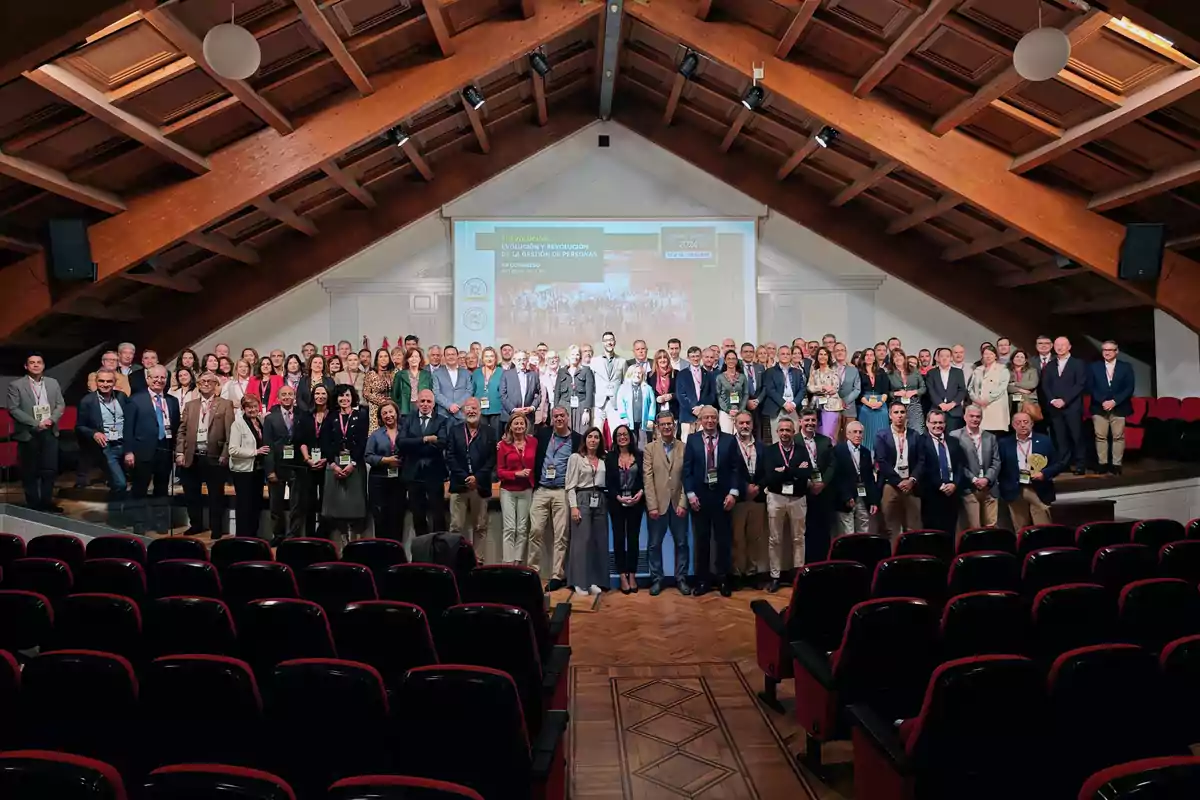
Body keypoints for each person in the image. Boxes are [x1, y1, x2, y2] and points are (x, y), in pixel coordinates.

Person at [683, 406, 741, 597]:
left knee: (723, 540)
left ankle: (723, 579)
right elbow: (687, 470)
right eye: (706, 417)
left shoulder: (729, 440)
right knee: (702, 540)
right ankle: (702, 581)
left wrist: (733, 493)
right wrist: (690, 494)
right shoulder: (691, 440)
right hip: (700, 496)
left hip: (723, 496)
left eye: (713, 418)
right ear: (700, 420)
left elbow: (735, 469)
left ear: (717, 420)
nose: (709, 421)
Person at [175, 371, 235, 538]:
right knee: (191, 494)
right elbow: (182, 431)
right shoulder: (190, 405)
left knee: (216, 495)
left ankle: (216, 529)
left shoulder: (225, 404)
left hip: (214, 456)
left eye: (210, 381)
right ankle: (196, 525)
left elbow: (230, 432)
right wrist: (179, 452)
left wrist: (226, 453)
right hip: (192, 455)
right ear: (199, 385)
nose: (206, 384)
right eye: (202, 381)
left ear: (216, 385)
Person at [123, 365, 180, 535]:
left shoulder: (172, 401)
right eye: (155, 377)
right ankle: (139, 522)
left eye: (162, 377)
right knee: (140, 488)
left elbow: (175, 428)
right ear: (148, 379)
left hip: (165, 449)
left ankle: (160, 521)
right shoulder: (135, 399)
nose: (159, 380)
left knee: (162, 489)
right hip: (143, 451)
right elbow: (128, 428)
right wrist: (128, 451)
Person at [531, 406, 582, 591]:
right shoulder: (542, 435)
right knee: (535, 531)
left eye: (562, 415)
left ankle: (557, 575)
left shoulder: (576, 439)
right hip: (542, 490)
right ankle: (533, 572)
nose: (559, 418)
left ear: (567, 417)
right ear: (552, 419)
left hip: (562, 491)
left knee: (561, 535)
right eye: (555, 416)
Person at [8, 353, 65, 513]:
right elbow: (13, 409)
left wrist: (51, 420)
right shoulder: (16, 385)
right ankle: (33, 504)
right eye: (32, 363)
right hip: (28, 433)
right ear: (26, 366)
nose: (35, 365)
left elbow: (60, 404)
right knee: (30, 471)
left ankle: (46, 502)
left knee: (49, 470)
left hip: (49, 431)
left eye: (39, 362)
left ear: (43, 365)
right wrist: (36, 423)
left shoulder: (53, 383)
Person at [643, 411, 690, 596]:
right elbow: (647, 479)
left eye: (670, 423)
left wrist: (683, 503)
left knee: (682, 544)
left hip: (678, 504)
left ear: (675, 425)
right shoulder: (649, 449)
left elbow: (688, 477)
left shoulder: (684, 447)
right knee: (654, 545)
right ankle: (657, 579)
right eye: (663, 424)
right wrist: (652, 505)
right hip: (658, 505)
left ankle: (681, 579)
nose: (667, 427)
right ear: (657, 427)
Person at [319, 384, 369, 543]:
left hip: (354, 465)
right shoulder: (331, 417)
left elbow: (362, 442)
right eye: (341, 396)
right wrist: (333, 465)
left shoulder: (361, 415)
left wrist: (352, 463)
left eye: (347, 395)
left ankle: (355, 542)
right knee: (336, 508)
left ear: (352, 397)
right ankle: (340, 542)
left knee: (356, 506)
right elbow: (324, 442)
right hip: (335, 464)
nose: (344, 399)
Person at [399, 388, 451, 537]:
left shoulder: (442, 420)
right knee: (418, 515)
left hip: (434, 473)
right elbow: (401, 442)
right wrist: (425, 440)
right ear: (417, 403)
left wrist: (414, 444)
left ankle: (439, 549)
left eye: (429, 401)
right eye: (422, 401)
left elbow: (441, 443)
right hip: (413, 474)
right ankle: (421, 549)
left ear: (434, 404)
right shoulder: (408, 419)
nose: (425, 404)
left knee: (438, 514)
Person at [76, 368, 129, 512]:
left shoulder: (122, 397)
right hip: (106, 448)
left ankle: (114, 513)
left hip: (123, 444)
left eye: (109, 381)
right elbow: (80, 426)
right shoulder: (87, 401)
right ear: (96, 382)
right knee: (120, 483)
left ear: (114, 383)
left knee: (116, 483)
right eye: (102, 381)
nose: (105, 384)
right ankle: (117, 515)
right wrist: (94, 433)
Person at [999, 411, 1064, 528]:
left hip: (1039, 487)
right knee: (1020, 529)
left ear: (1032, 424)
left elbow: (1058, 464)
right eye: (1018, 422)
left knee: (1044, 527)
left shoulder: (1045, 441)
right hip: (1015, 490)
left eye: (1026, 422)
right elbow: (1000, 468)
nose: (1022, 425)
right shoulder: (1004, 443)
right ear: (1013, 425)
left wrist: (1044, 474)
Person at [448, 397, 496, 551]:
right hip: (459, 485)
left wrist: (477, 477)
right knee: (456, 527)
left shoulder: (489, 432)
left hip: (480, 486)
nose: (471, 411)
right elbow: (450, 456)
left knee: (480, 527)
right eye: (468, 408)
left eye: (475, 408)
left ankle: (478, 562)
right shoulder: (454, 430)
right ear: (463, 412)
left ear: (480, 412)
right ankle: (455, 561)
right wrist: (465, 477)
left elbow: (492, 459)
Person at [262, 384, 307, 545]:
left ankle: (293, 535)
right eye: (284, 395)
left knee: (297, 503)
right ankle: (278, 534)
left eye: (290, 394)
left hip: (297, 466)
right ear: (278, 398)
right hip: (277, 466)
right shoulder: (270, 418)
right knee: (276, 504)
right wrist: (269, 471)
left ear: (294, 396)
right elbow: (267, 446)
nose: (287, 397)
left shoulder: (302, 416)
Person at [566, 427, 608, 596]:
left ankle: (593, 580)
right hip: (582, 497)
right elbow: (569, 485)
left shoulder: (604, 459)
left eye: (596, 437)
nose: (593, 440)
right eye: (590, 436)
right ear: (585, 440)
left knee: (598, 541)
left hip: (600, 498)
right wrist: (573, 507)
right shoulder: (576, 458)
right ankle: (578, 581)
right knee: (581, 541)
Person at [729, 410, 766, 588]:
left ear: (752, 425)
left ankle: (752, 573)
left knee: (754, 538)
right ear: (735, 425)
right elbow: (728, 471)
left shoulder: (761, 446)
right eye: (741, 423)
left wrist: (758, 487)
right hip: (739, 499)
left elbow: (767, 470)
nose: (744, 426)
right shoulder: (729, 444)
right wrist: (745, 488)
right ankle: (736, 573)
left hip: (758, 498)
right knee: (737, 539)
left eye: (747, 423)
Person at [875, 402, 922, 540]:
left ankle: (912, 560)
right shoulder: (882, 435)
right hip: (890, 484)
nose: (899, 416)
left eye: (902, 412)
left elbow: (921, 460)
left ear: (906, 415)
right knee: (890, 528)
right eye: (896, 413)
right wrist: (899, 481)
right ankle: (892, 560)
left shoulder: (915, 435)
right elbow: (881, 461)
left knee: (913, 528)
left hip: (911, 484)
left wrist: (911, 480)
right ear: (890, 415)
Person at [607, 424, 645, 594]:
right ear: (615, 438)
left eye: (625, 434)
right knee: (619, 539)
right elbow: (608, 482)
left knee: (633, 539)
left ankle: (632, 574)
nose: (622, 437)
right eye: (619, 434)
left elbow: (645, 477)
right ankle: (622, 575)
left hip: (636, 502)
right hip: (617, 502)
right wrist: (617, 496)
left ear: (630, 436)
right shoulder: (610, 457)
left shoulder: (640, 455)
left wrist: (641, 493)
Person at [1041, 336, 1088, 475]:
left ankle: (1080, 464)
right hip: (1055, 407)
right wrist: (1052, 400)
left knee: (1076, 436)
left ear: (1069, 347)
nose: (1059, 347)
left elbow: (1080, 384)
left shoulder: (1078, 364)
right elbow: (1045, 385)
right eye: (1057, 345)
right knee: (1060, 437)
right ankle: (1063, 464)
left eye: (1063, 345)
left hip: (1072, 406)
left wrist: (1065, 400)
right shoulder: (1050, 365)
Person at [951, 404, 1001, 531]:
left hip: (989, 487)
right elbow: (957, 463)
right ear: (965, 417)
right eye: (971, 416)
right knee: (975, 528)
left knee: (992, 528)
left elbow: (996, 461)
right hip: (969, 488)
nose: (975, 419)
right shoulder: (955, 436)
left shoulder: (990, 437)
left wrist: (987, 479)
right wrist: (974, 479)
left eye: (978, 416)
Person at [1089, 340, 1135, 475]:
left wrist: (1114, 401)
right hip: (1099, 407)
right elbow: (1090, 386)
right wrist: (1103, 401)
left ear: (1117, 351)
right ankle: (1102, 464)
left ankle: (1116, 464)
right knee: (1100, 436)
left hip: (1119, 406)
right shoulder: (1094, 367)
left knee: (1118, 437)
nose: (1107, 352)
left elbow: (1129, 388)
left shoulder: (1126, 367)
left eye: (1110, 350)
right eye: (1104, 350)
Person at [917, 409, 967, 535]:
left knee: (950, 531)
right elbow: (923, 468)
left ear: (945, 424)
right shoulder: (920, 442)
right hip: (931, 494)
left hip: (952, 493)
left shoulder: (953, 441)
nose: (937, 426)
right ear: (927, 423)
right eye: (934, 423)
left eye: (940, 422)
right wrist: (940, 485)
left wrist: (954, 484)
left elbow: (960, 466)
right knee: (932, 533)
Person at [796, 409, 836, 564]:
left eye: (813, 420)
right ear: (800, 421)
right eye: (807, 420)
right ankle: (804, 565)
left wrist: (823, 483)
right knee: (803, 531)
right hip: (802, 492)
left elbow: (832, 465)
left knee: (823, 530)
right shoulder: (794, 441)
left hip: (823, 493)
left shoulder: (825, 441)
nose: (810, 423)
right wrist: (808, 483)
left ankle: (823, 564)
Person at [228, 394, 270, 539]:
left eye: (254, 406)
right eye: (249, 407)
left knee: (255, 505)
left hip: (257, 471)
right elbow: (232, 450)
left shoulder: (260, 421)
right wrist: (255, 452)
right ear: (243, 409)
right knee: (244, 507)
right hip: (243, 471)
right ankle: (242, 537)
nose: (252, 410)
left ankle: (253, 536)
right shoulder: (238, 424)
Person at [497, 413, 537, 564]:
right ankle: (508, 563)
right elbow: (500, 472)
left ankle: (517, 561)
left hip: (526, 490)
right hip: (508, 490)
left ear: (526, 426)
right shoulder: (503, 445)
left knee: (522, 528)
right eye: (516, 423)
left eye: (522, 423)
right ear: (510, 427)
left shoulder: (533, 442)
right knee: (509, 528)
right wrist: (516, 474)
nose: (519, 426)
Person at [365, 399, 406, 541]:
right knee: (381, 519)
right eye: (384, 413)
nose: (388, 415)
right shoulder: (376, 435)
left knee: (397, 517)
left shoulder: (405, 432)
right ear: (380, 417)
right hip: (379, 481)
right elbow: (368, 456)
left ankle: (397, 553)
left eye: (390, 412)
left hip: (399, 480)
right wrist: (387, 460)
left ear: (396, 413)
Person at [832, 420, 878, 535]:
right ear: (847, 434)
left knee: (864, 531)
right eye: (854, 432)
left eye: (860, 432)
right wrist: (846, 496)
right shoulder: (838, 451)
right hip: (845, 499)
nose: (858, 435)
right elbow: (837, 477)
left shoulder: (866, 452)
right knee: (847, 533)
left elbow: (869, 478)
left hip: (863, 497)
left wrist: (873, 500)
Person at [296, 384, 331, 538]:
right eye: (317, 393)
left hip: (327, 464)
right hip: (309, 464)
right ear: (313, 396)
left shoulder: (334, 415)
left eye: (323, 393)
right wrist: (307, 459)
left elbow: (335, 441)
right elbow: (300, 439)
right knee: (308, 502)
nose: (320, 396)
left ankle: (323, 536)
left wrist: (326, 459)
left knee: (326, 501)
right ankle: (310, 536)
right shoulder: (306, 415)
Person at [762, 344, 803, 440]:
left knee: (794, 437)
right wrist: (784, 404)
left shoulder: (797, 372)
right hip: (777, 408)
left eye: (788, 354)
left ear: (791, 356)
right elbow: (770, 390)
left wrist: (793, 403)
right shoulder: (770, 372)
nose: (785, 356)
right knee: (777, 439)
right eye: (783, 354)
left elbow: (802, 389)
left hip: (793, 408)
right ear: (778, 355)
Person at [676, 346, 716, 441]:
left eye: (697, 356)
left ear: (701, 356)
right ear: (688, 358)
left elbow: (712, 394)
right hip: (687, 415)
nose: (695, 359)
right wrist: (693, 409)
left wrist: (701, 407)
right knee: (686, 442)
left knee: (703, 442)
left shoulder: (708, 374)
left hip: (703, 414)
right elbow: (680, 395)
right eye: (692, 356)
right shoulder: (682, 374)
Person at [968, 345, 1011, 435]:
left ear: (995, 356)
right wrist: (976, 399)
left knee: (995, 434)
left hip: (995, 406)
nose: (988, 356)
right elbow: (970, 388)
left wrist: (988, 399)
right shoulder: (978, 370)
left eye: (991, 354)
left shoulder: (1002, 369)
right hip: (978, 406)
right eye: (985, 354)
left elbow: (1002, 387)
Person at [926, 347, 969, 433]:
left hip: (954, 411)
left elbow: (962, 390)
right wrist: (940, 404)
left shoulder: (958, 372)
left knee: (953, 439)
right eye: (942, 356)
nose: (945, 358)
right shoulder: (931, 373)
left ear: (951, 358)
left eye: (947, 356)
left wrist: (952, 404)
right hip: (936, 410)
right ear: (938, 358)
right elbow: (931, 390)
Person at [592, 332, 627, 438]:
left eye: (611, 340)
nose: (609, 342)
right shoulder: (594, 361)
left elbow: (625, 383)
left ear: (615, 342)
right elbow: (591, 382)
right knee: (596, 432)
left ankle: (615, 454)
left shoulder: (622, 361)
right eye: (607, 340)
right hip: (598, 402)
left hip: (615, 403)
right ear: (603, 343)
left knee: (616, 433)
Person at [555, 345, 595, 434]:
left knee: (582, 434)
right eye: (572, 354)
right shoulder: (562, 371)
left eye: (577, 354)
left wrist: (586, 410)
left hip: (581, 406)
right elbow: (557, 392)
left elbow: (589, 392)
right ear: (568, 356)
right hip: (564, 406)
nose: (575, 357)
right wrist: (556, 410)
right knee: (564, 433)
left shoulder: (586, 370)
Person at [615, 364, 656, 448]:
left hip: (643, 422)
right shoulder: (623, 388)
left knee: (644, 445)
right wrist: (624, 417)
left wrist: (650, 419)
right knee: (631, 444)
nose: (637, 375)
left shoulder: (648, 388)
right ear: (630, 374)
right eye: (635, 372)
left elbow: (652, 403)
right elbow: (620, 403)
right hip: (629, 422)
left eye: (639, 373)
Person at [807, 346, 842, 440]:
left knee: (828, 434)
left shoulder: (833, 371)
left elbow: (835, 388)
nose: (822, 356)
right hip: (816, 406)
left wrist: (825, 389)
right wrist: (822, 387)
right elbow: (810, 387)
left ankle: (830, 453)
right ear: (817, 356)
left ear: (828, 357)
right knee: (817, 434)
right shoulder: (814, 372)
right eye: (820, 354)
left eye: (825, 354)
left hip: (831, 406)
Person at [857, 348, 889, 450]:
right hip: (865, 403)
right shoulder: (858, 372)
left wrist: (880, 402)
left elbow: (886, 390)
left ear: (875, 358)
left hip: (881, 403)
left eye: (871, 355)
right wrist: (868, 404)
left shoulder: (881, 371)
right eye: (867, 355)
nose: (869, 357)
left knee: (882, 425)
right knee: (867, 432)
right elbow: (859, 391)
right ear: (863, 358)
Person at [888, 347, 926, 434]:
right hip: (897, 405)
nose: (898, 358)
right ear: (892, 360)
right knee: (899, 432)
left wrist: (914, 392)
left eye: (900, 355)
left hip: (914, 404)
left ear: (904, 357)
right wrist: (896, 393)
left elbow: (923, 388)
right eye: (895, 356)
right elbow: (886, 392)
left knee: (917, 431)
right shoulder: (889, 374)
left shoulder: (914, 370)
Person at [471, 346, 504, 441]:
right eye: (486, 356)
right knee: (481, 437)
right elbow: (472, 391)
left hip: (497, 410)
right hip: (480, 410)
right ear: (482, 358)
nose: (489, 359)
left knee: (496, 438)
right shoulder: (476, 373)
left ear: (496, 358)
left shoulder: (502, 372)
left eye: (492, 356)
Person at [500, 350, 540, 425]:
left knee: (528, 437)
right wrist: (513, 409)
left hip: (528, 417)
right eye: (519, 360)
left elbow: (538, 394)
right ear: (514, 361)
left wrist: (532, 407)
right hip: (510, 416)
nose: (522, 362)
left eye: (524, 359)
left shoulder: (533, 375)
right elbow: (503, 394)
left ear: (527, 361)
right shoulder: (506, 375)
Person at [392, 346, 433, 420]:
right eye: (411, 357)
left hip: (422, 408)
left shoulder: (427, 375)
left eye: (416, 356)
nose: (414, 359)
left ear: (420, 359)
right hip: (405, 409)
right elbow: (395, 396)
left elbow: (431, 393)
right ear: (407, 359)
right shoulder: (400, 375)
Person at [713, 349, 748, 436]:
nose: (731, 361)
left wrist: (740, 410)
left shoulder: (742, 377)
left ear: (736, 361)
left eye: (733, 358)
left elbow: (746, 394)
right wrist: (728, 410)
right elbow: (718, 395)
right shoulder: (720, 377)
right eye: (728, 359)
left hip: (740, 411)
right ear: (725, 361)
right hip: (725, 412)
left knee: (740, 437)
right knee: (726, 437)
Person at [434, 345, 472, 422]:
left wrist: (458, 405)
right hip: (443, 415)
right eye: (448, 355)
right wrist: (449, 406)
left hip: (462, 414)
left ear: (457, 356)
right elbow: (436, 393)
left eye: (453, 354)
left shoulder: (466, 373)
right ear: (444, 357)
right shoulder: (436, 373)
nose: (451, 357)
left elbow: (469, 391)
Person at [362, 348, 394, 435]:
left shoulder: (393, 373)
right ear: (377, 359)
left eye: (386, 356)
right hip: (375, 408)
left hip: (391, 406)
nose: (383, 359)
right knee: (376, 434)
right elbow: (366, 393)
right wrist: (381, 402)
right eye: (381, 357)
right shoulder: (371, 374)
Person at [649, 349, 680, 426]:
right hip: (657, 412)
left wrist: (671, 396)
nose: (662, 360)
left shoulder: (676, 373)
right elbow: (648, 394)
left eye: (665, 357)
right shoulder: (650, 375)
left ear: (668, 359)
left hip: (673, 412)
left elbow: (681, 392)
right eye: (660, 358)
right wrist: (656, 398)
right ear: (656, 361)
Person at [1007, 349, 1039, 423]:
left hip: (1028, 401)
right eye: (1017, 356)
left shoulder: (1032, 371)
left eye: (1022, 357)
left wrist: (1015, 384)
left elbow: (1032, 384)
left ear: (1025, 360)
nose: (1019, 359)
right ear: (1013, 359)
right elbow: (1006, 386)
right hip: (1011, 402)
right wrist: (1021, 390)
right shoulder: (1007, 371)